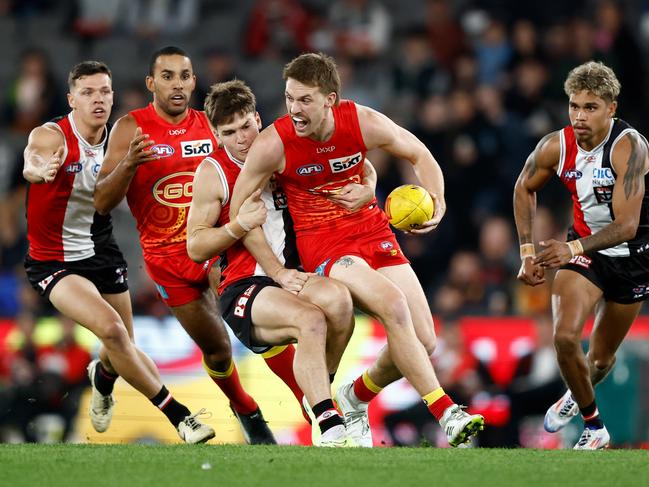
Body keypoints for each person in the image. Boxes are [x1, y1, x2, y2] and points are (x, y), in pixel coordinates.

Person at [229, 52, 485, 448]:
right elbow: (239, 211)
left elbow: (420, 154)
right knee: (393, 304)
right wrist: (275, 269)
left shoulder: (362, 121)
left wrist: (438, 200)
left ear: (330, 99)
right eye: (289, 98)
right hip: (326, 245)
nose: (294, 109)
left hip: (372, 229)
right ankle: (446, 411)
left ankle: (355, 396)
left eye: (305, 100)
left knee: (425, 339)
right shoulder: (274, 143)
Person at [93, 46, 288, 445]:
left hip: (215, 245)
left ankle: (274, 414)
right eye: (167, 76)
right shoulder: (131, 128)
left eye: (184, 75)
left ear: (194, 81)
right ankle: (106, 373)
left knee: (252, 321)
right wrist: (128, 164)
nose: (177, 83)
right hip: (167, 260)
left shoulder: (211, 125)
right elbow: (100, 202)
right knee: (218, 351)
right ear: (151, 83)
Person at [22, 60, 214, 444]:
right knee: (112, 331)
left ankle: (102, 378)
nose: (98, 99)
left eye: (104, 92)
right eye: (88, 92)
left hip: (102, 251)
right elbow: (32, 159)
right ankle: (181, 417)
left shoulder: (121, 138)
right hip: (54, 260)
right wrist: (38, 171)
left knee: (121, 346)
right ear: (71, 98)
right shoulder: (52, 136)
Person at [187, 79, 364, 446]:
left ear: (258, 117)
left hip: (295, 276)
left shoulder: (287, 146)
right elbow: (196, 246)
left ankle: (316, 393)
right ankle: (331, 426)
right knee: (311, 319)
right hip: (246, 287)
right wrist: (237, 226)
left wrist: (370, 186)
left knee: (340, 303)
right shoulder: (213, 171)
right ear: (216, 136)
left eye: (246, 126)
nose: (241, 138)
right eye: (229, 132)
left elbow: (356, 162)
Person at [513, 60, 649, 450]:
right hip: (586, 253)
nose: (580, 116)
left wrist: (569, 247)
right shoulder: (556, 146)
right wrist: (526, 251)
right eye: (574, 106)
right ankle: (594, 426)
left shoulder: (631, 148)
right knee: (565, 337)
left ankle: (576, 394)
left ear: (612, 108)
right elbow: (524, 187)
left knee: (602, 360)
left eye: (591, 107)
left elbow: (626, 226)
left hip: (636, 257)